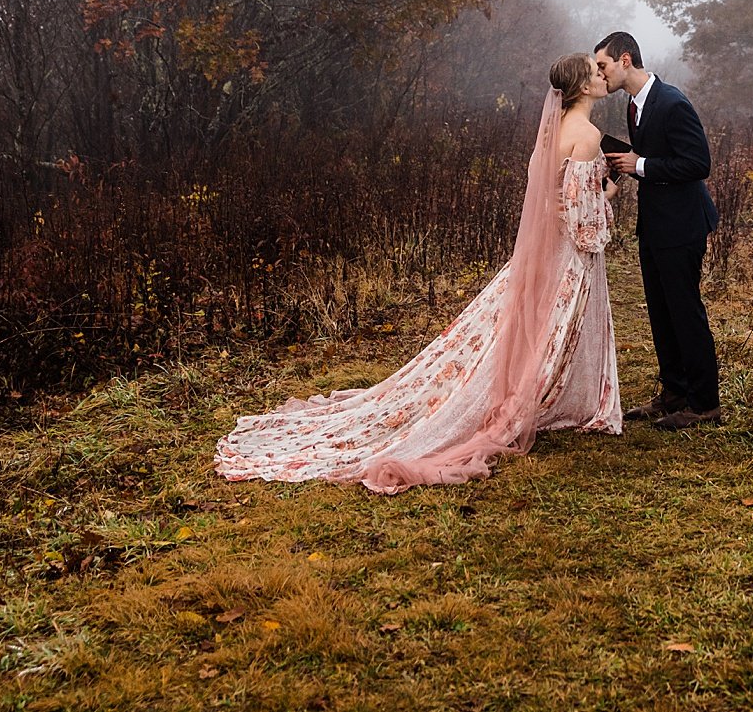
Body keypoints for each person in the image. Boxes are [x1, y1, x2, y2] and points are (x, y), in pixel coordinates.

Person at [213, 54, 622, 494]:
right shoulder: (587, 134)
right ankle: (563, 403)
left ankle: (553, 398)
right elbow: (583, 221)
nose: (602, 75)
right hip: (565, 254)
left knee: (522, 329)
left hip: (544, 250)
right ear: (581, 86)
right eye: (594, 71)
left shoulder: (551, 131)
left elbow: (547, 196)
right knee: (548, 329)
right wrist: (614, 188)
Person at [596, 32, 721, 430]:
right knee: (661, 311)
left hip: (682, 225)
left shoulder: (672, 102)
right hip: (654, 224)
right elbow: (649, 156)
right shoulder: (635, 105)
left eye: (603, 65)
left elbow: (698, 163)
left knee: (685, 311)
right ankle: (674, 391)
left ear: (625, 59)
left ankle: (704, 404)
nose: (600, 74)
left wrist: (641, 165)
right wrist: (622, 165)